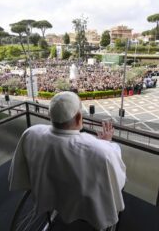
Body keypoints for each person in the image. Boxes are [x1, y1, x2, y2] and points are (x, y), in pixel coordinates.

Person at [8, 92, 126, 230]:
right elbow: (117, 179)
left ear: (50, 115)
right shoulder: (101, 151)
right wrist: (106, 143)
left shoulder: (32, 132)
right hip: (82, 202)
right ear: (78, 117)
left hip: (48, 190)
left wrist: (100, 145)